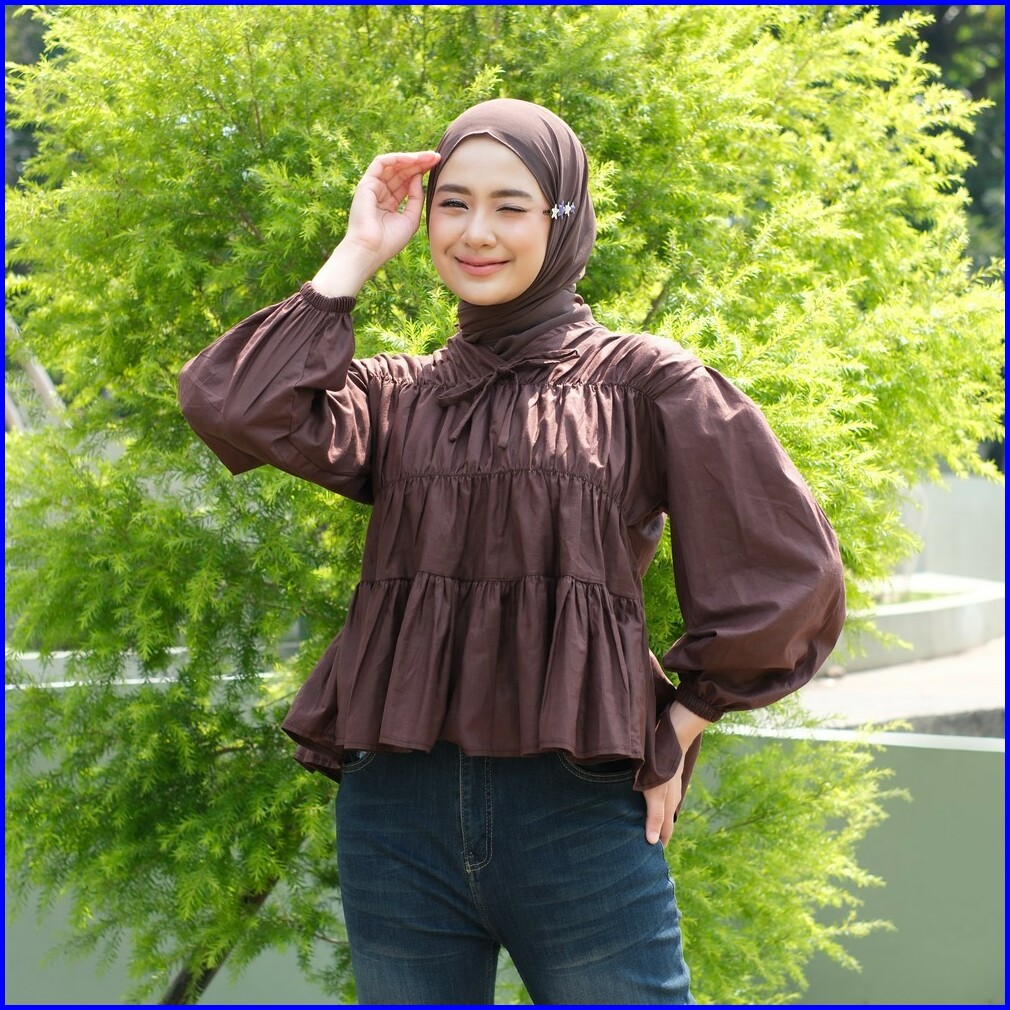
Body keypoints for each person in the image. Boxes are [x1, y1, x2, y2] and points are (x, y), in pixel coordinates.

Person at [178, 98, 846, 1005]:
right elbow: (232, 404)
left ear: (562, 218)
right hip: (394, 811)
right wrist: (358, 252)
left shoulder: (645, 384)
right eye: (453, 204)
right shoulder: (399, 396)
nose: (477, 233)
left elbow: (788, 568)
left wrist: (686, 720)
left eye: (511, 206)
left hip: (578, 811)